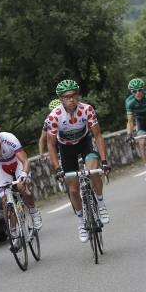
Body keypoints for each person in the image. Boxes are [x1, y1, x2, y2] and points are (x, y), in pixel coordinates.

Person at [47, 80, 111, 243]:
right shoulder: (54, 116)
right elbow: (51, 145)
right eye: (67, 97)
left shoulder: (87, 109)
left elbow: (98, 135)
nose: (72, 100)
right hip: (66, 148)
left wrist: (104, 161)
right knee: (73, 190)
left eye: (74, 95)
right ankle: (81, 223)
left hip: (85, 143)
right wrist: (58, 169)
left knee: (94, 174)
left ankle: (101, 206)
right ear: (61, 98)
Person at [0, 120, 43, 250]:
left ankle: (34, 212)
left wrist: (24, 174)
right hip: (1, 168)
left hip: (17, 163)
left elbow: (25, 161)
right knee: (5, 201)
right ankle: (13, 234)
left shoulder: (9, 138)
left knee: (22, 187)